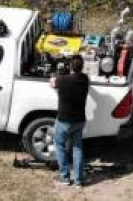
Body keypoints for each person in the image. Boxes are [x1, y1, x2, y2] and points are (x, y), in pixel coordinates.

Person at [50, 56, 90, 186]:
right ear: (82, 67)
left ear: (70, 67)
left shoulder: (62, 80)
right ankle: (78, 180)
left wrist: (53, 74)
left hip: (64, 121)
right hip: (79, 120)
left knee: (60, 146)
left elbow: (51, 82)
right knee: (77, 148)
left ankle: (65, 177)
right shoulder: (85, 79)